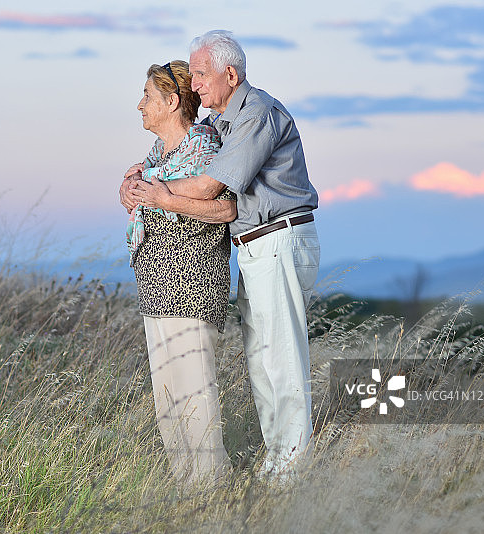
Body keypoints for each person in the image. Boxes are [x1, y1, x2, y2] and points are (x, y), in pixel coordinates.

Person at [123, 31, 321, 482]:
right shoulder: (226, 123)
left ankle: (291, 472)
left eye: (200, 73)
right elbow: (177, 164)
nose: (194, 84)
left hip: (278, 239)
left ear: (230, 74)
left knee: (281, 360)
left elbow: (215, 185)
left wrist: (155, 193)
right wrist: (138, 183)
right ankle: (277, 465)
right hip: (255, 245)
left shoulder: (256, 114)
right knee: (262, 360)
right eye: (191, 74)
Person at [120, 60, 237, 488]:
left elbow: (225, 209)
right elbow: (145, 190)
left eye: (148, 97)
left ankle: (212, 487)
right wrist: (132, 190)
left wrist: (160, 197)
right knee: (167, 397)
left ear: (171, 102)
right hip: (157, 288)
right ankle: (188, 488)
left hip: (191, 287)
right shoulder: (158, 157)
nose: (140, 105)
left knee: (194, 392)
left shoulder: (203, 149)